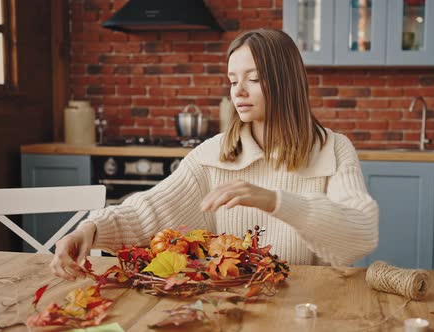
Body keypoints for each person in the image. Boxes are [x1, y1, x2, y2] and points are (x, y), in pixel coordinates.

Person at [50, 28, 379, 281]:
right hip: (231, 306)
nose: (238, 90)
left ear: (286, 83)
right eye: (233, 80)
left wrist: (275, 201)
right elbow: (149, 211)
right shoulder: (212, 155)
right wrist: (89, 231)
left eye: (253, 78)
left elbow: (360, 234)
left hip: (310, 307)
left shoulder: (333, 149)